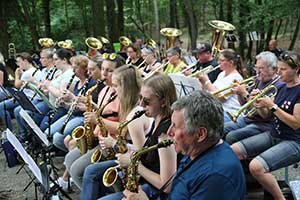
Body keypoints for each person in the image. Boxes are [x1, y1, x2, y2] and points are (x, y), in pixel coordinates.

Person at [122, 90, 246, 200]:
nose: (169, 132)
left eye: (175, 126)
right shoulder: (196, 150)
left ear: (200, 134)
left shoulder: (215, 177)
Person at [231, 51, 300, 200]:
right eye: (279, 68)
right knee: (233, 150)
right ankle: (239, 191)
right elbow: (265, 115)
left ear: (297, 70)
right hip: (274, 134)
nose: (279, 73)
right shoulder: (281, 87)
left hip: (293, 140)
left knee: (256, 167)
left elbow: (295, 123)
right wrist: (258, 103)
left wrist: (272, 106)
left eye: (283, 69)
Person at [100, 74, 177, 200]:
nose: (141, 104)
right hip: (146, 183)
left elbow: (167, 185)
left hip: (155, 192)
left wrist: (134, 164)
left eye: (147, 101)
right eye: (140, 98)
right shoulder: (156, 120)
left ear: (163, 102)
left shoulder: (165, 134)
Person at [64, 53, 125, 189]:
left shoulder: (123, 95)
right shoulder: (104, 90)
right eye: (103, 69)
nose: (104, 73)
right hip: (98, 138)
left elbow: (125, 128)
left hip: (112, 143)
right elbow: (104, 112)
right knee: (68, 160)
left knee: (76, 171)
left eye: (109, 70)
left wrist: (97, 120)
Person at [224, 51, 284, 144]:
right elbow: (243, 104)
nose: (257, 71)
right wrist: (239, 93)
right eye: (256, 67)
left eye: (261, 68)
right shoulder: (257, 80)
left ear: (273, 69)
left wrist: (245, 94)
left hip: (262, 125)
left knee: (231, 136)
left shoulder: (278, 86)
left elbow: (265, 116)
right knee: (220, 129)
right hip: (248, 119)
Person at [198, 49, 244, 122]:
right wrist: (202, 83)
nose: (218, 62)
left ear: (231, 63)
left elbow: (220, 98)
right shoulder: (221, 74)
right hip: (218, 109)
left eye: (222, 60)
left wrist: (206, 81)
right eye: (218, 60)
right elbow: (211, 91)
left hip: (229, 111)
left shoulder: (236, 78)